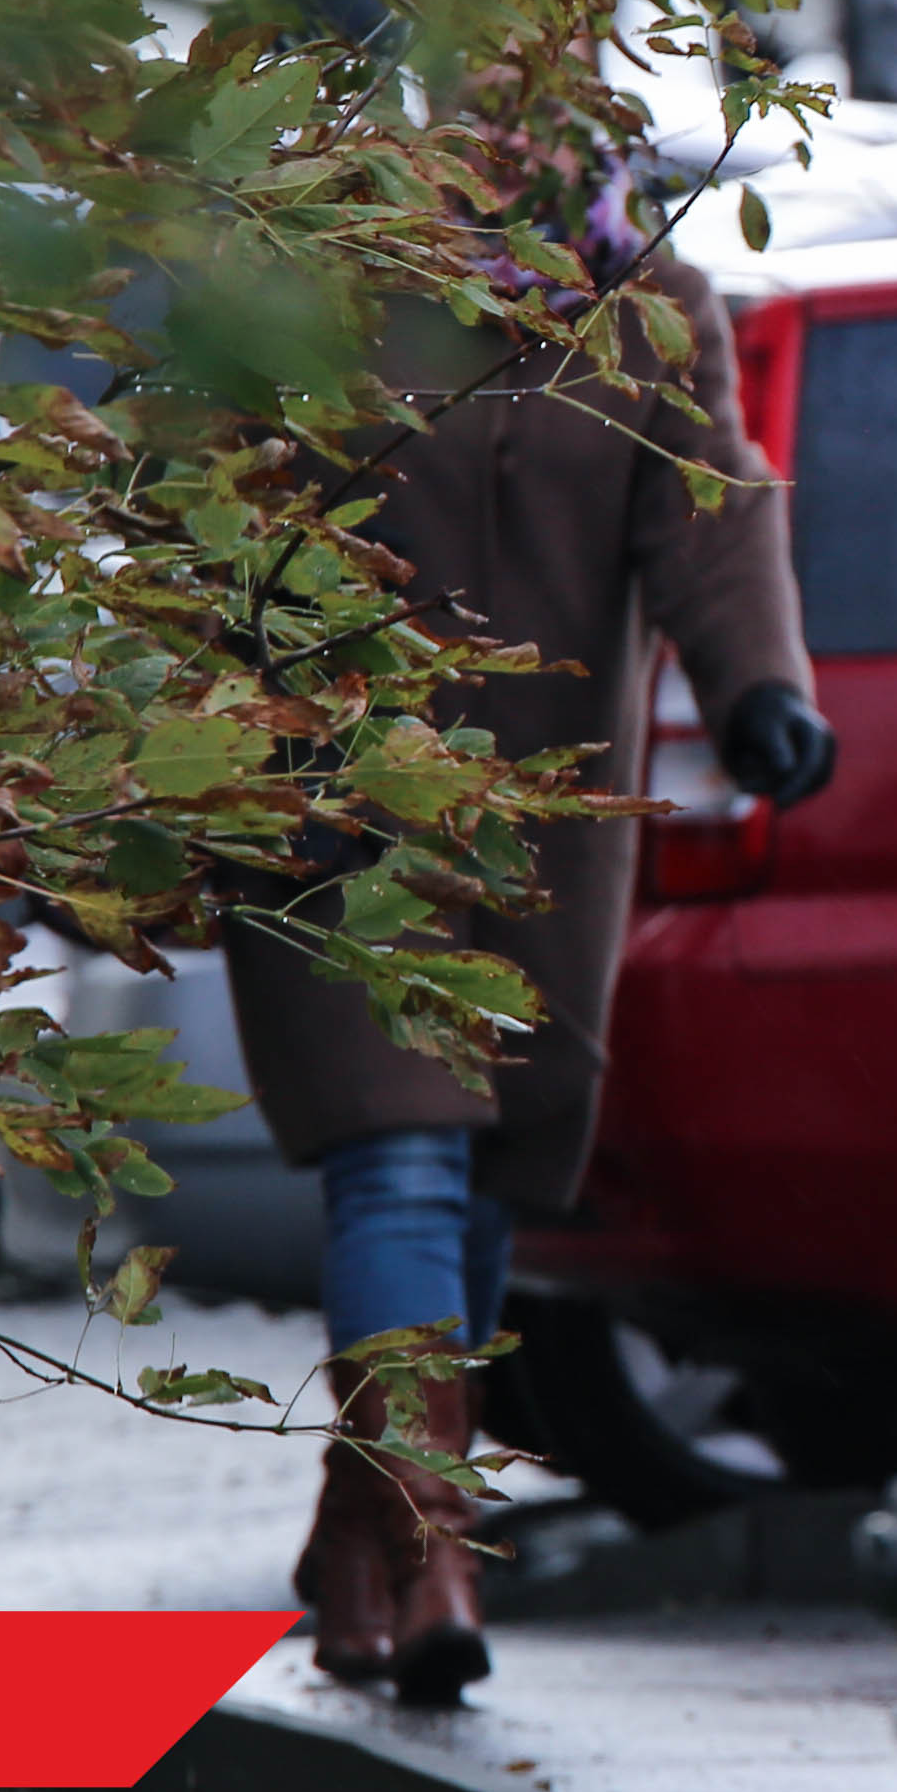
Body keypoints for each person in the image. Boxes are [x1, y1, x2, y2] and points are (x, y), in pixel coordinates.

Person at [223, 185, 830, 1707]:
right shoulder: (324, 268)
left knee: (486, 1172)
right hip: (340, 820)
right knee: (402, 1156)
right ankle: (435, 1544)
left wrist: (761, 688)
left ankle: (353, 1545)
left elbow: (710, 506)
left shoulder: (649, 299)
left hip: (544, 835)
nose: (517, 121)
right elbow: (207, 513)